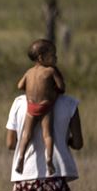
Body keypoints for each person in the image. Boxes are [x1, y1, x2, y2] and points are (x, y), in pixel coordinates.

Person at [15, 39, 66, 176]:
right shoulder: (50, 71)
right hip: (45, 107)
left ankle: (21, 157)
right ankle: (49, 159)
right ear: (41, 58)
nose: (56, 57)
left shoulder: (29, 72)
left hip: (31, 107)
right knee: (47, 135)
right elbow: (61, 87)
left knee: (26, 134)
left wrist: (30, 87)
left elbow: (20, 86)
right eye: (53, 55)